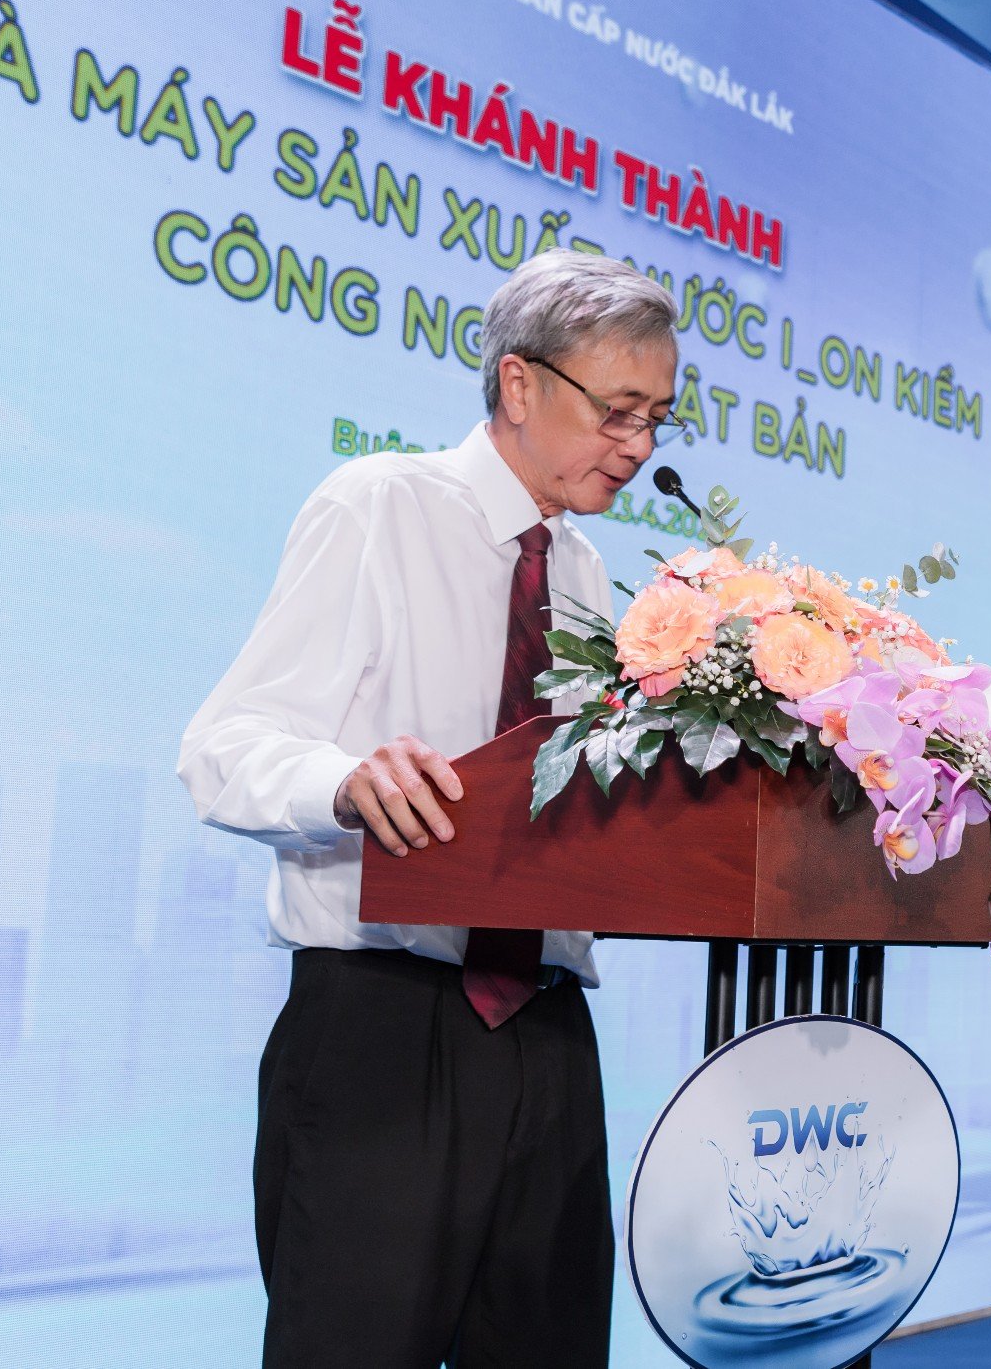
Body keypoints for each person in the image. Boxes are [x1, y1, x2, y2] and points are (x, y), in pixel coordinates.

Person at [179, 252, 682, 1368]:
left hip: (547, 1031)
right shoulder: (381, 506)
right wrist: (345, 785)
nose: (640, 445)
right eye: (618, 410)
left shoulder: (585, 573)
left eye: (658, 416)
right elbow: (223, 748)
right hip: (385, 1026)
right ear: (519, 383)